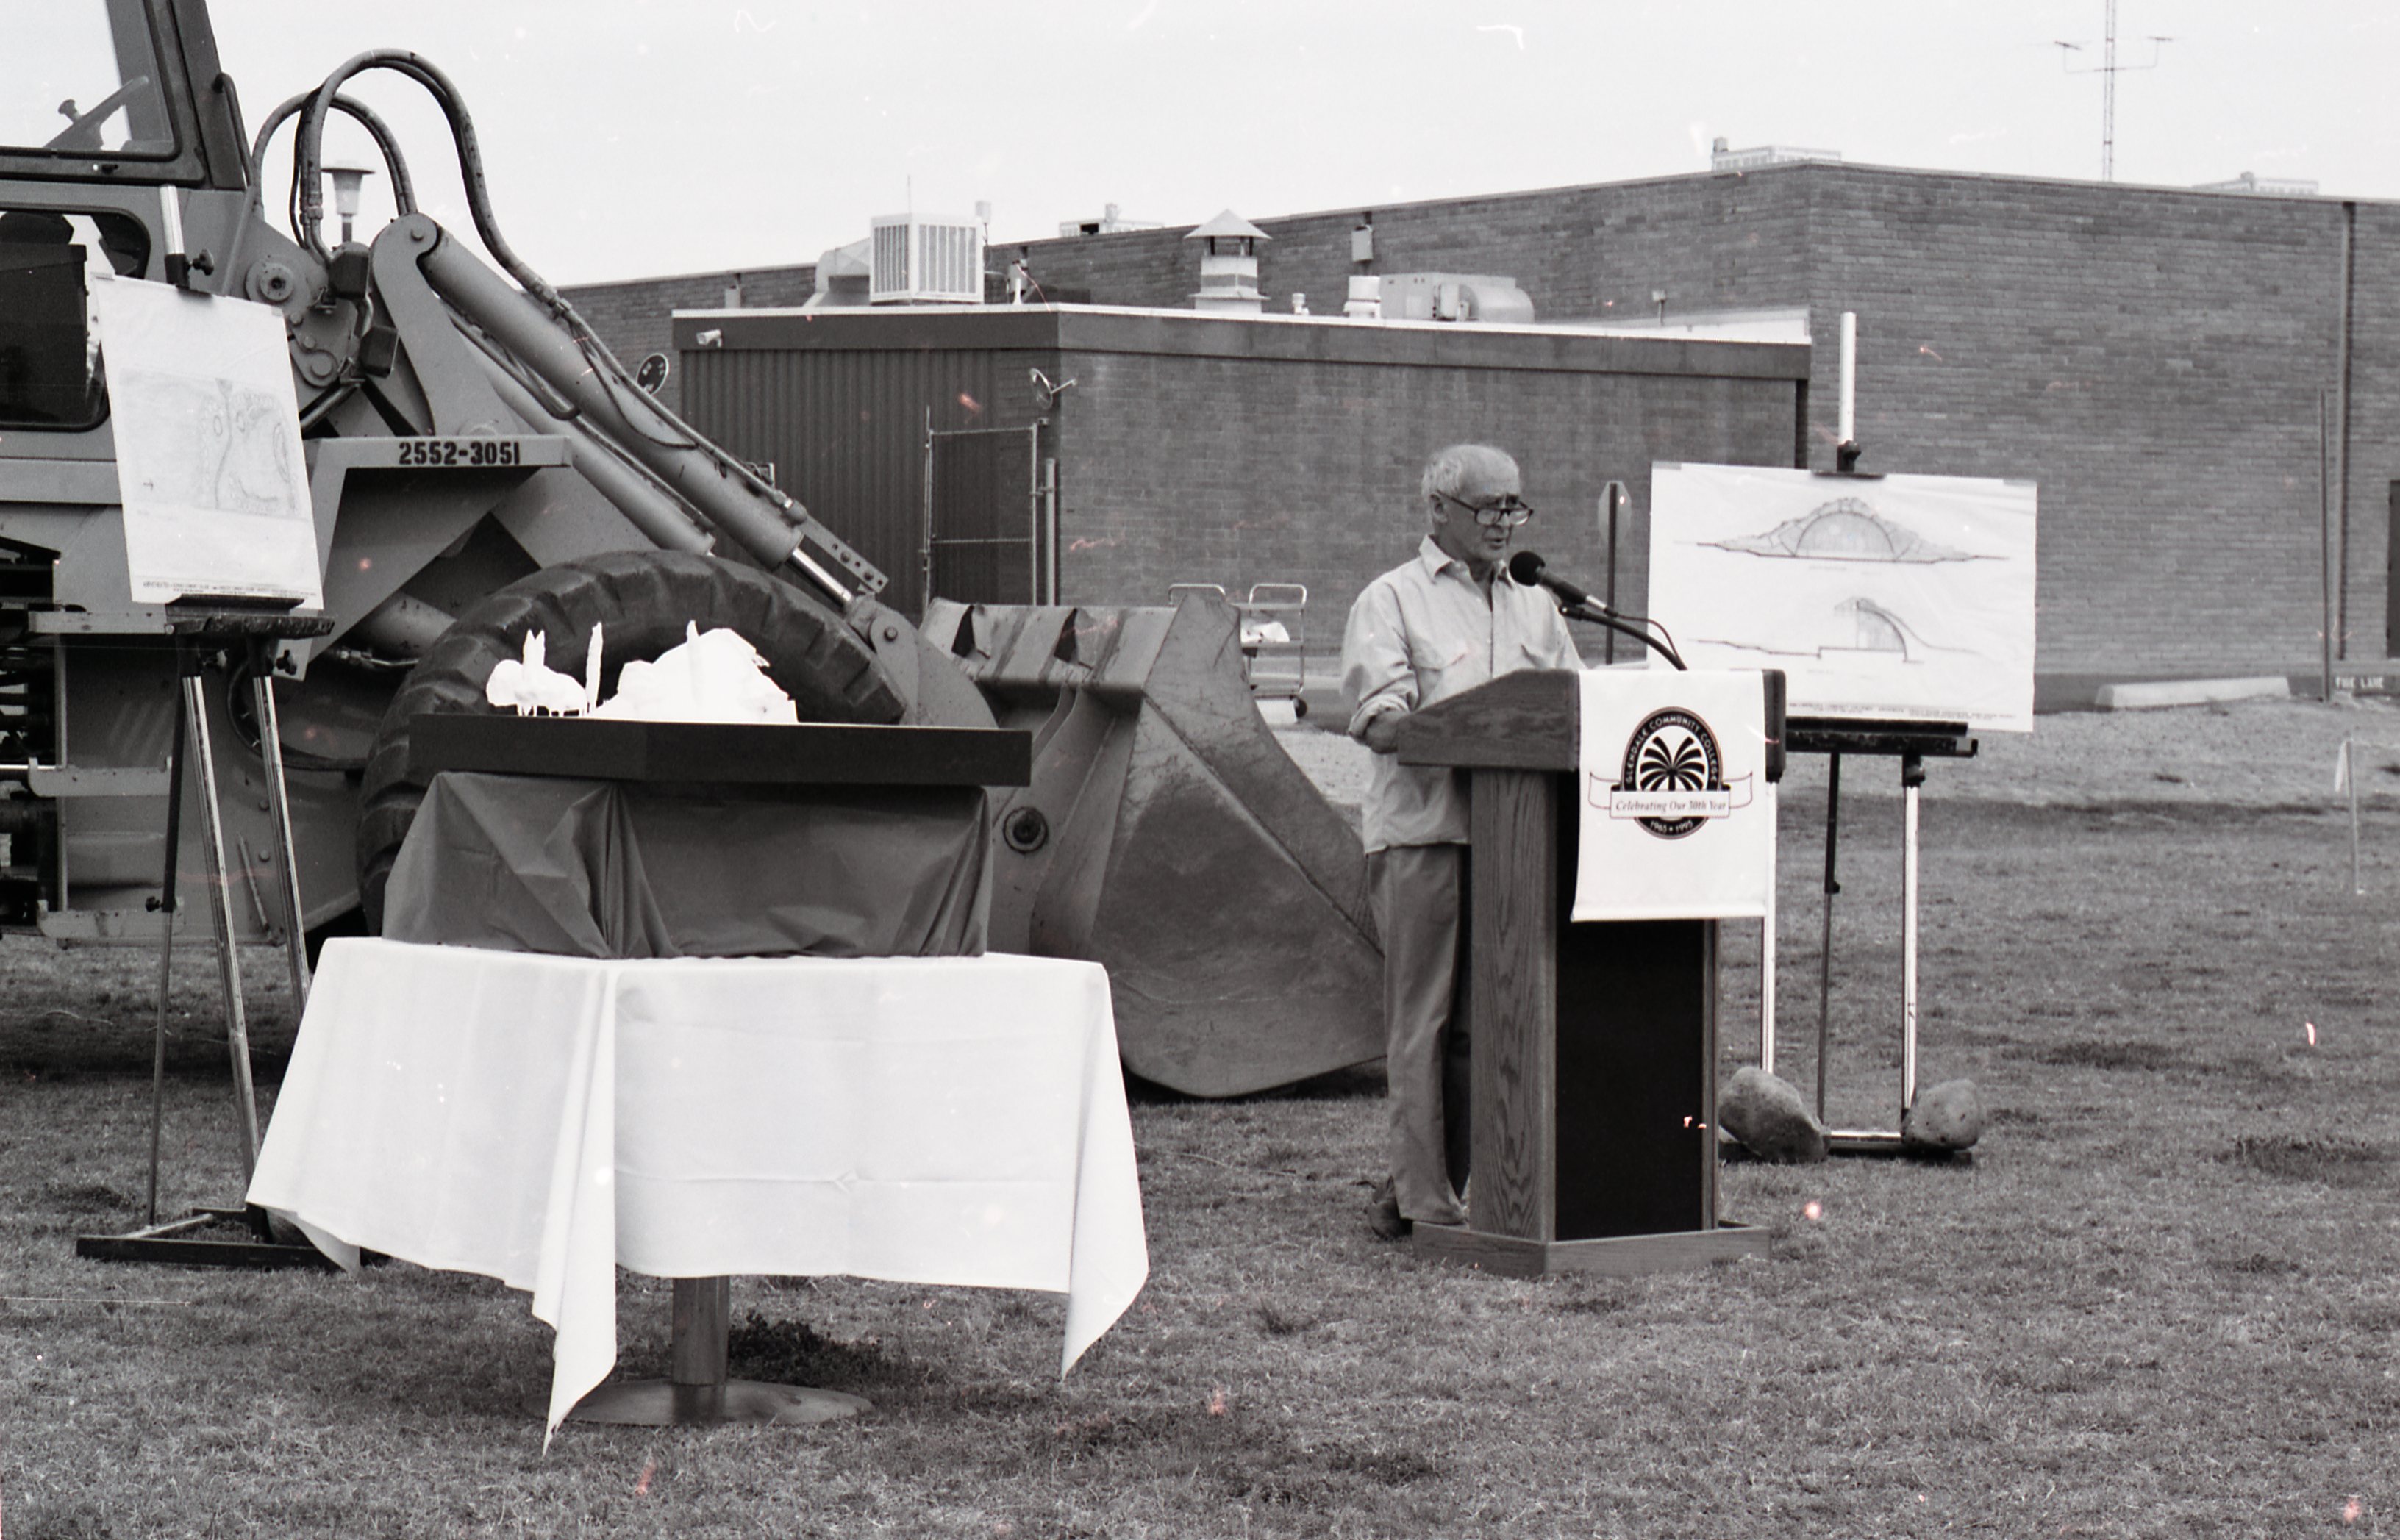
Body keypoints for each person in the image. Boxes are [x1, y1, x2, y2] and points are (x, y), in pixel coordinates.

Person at [1340, 443, 1580, 1238]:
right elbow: (1380, 721)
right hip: (1425, 837)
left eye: (1516, 506)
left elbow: (1573, 712)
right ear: (1438, 510)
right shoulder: (1390, 600)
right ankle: (1423, 1202)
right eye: (1491, 508)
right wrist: (1473, 728)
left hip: (1516, 843)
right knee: (1425, 1025)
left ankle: (1475, 1186)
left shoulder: (1535, 603)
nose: (1507, 523)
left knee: (1494, 1021)